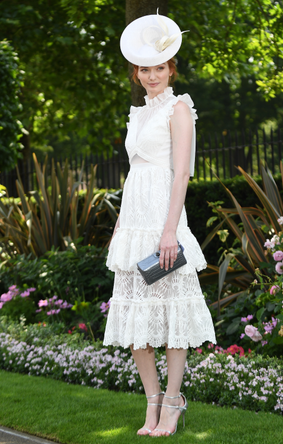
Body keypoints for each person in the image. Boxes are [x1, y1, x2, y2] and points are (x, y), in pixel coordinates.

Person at [103, 11, 216, 437]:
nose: (153, 76)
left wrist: (169, 231)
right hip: (133, 224)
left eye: (160, 68)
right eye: (145, 69)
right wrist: (119, 227)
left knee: (170, 318)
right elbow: (135, 174)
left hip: (163, 223)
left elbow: (181, 172)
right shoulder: (138, 114)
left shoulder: (179, 108)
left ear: (171, 69)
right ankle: (151, 404)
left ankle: (173, 401)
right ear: (137, 73)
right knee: (137, 322)